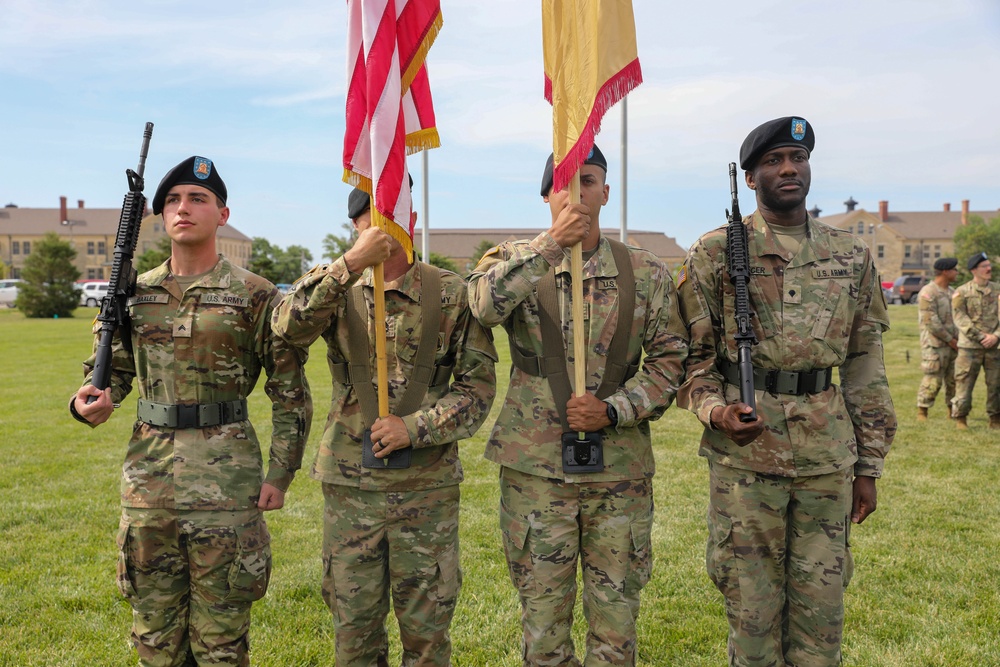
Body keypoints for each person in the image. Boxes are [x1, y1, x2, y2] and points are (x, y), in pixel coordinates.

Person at [70, 156, 312, 666]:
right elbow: (106, 375)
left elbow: (289, 391)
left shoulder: (256, 295)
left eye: (198, 199)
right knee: (153, 637)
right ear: (160, 217)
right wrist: (87, 402)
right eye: (173, 200)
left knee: (222, 640)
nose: (184, 208)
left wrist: (281, 473)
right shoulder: (131, 293)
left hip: (228, 482)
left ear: (222, 214)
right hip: (149, 483)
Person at [675, 116, 897, 667]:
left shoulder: (850, 255)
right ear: (751, 179)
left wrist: (867, 465)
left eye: (797, 158)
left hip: (826, 457)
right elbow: (691, 360)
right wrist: (716, 411)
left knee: (822, 607)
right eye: (773, 161)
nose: (788, 169)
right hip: (747, 460)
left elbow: (865, 361)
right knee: (751, 606)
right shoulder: (715, 253)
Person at [468, 145, 689, 665]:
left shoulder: (646, 272)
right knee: (543, 624)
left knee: (616, 623)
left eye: (588, 181)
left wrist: (616, 409)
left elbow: (671, 362)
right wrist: (548, 248)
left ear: (606, 192)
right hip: (535, 472)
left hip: (619, 473)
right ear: (546, 196)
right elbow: (482, 307)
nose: (577, 194)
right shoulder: (511, 261)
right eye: (564, 184)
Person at [271, 186, 497, 666]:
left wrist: (416, 428)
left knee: (428, 635)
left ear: (412, 217)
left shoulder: (451, 292)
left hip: (426, 489)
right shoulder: (333, 287)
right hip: (352, 489)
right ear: (355, 226)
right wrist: (349, 265)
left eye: (397, 214)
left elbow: (477, 391)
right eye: (373, 219)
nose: (386, 226)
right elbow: (285, 327)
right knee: (354, 634)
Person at [950, 252, 1000, 430]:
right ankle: (961, 418)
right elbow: (960, 318)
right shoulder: (961, 292)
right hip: (969, 347)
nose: (989, 268)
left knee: (996, 384)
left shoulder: (998, 289)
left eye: (989, 265)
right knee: (964, 382)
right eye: (984, 266)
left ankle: (995, 418)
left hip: (995, 347)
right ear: (974, 270)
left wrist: (996, 336)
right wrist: (980, 336)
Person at [917, 257, 960, 421]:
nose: (957, 272)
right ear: (945, 271)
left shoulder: (952, 292)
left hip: (954, 345)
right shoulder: (928, 292)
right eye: (954, 270)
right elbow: (931, 321)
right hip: (934, 346)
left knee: (954, 380)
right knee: (932, 380)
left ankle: (952, 412)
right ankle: (923, 412)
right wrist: (950, 340)